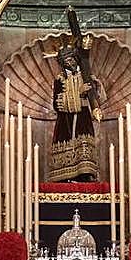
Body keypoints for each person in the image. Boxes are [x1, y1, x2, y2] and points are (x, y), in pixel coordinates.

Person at [49, 45, 99, 182]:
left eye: (71, 59)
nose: (69, 63)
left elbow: (96, 97)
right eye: (66, 62)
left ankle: (85, 173)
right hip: (66, 120)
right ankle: (66, 175)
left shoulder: (86, 75)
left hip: (83, 116)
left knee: (84, 142)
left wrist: (94, 86)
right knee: (67, 141)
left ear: (76, 59)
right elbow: (57, 104)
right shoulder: (60, 80)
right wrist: (78, 93)